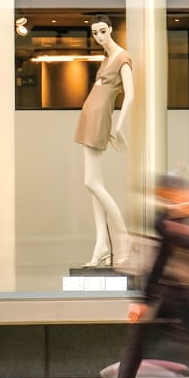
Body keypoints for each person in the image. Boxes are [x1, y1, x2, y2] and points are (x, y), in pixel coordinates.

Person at [108, 172, 189, 378]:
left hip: (177, 296)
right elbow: (158, 264)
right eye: (182, 194)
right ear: (171, 196)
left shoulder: (177, 220)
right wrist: (142, 300)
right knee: (141, 341)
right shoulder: (168, 223)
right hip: (164, 295)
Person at [74, 14, 135, 268]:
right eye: (95, 33)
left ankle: (125, 240)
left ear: (110, 29)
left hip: (99, 118)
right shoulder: (107, 57)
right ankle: (102, 246)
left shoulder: (122, 57)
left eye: (102, 31)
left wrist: (119, 127)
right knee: (94, 185)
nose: (99, 36)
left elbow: (130, 95)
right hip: (91, 115)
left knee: (91, 182)